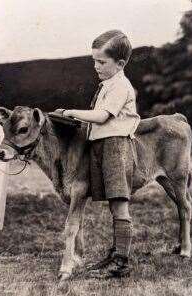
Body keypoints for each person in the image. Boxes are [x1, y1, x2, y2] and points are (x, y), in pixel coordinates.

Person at [55, 30, 140, 278]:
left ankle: (121, 262)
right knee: (113, 204)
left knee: (119, 205)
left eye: (101, 62)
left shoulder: (121, 86)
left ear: (120, 64)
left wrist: (71, 112)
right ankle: (116, 254)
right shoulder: (107, 85)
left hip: (116, 148)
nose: (95, 66)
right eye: (93, 60)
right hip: (101, 147)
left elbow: (102, 117)